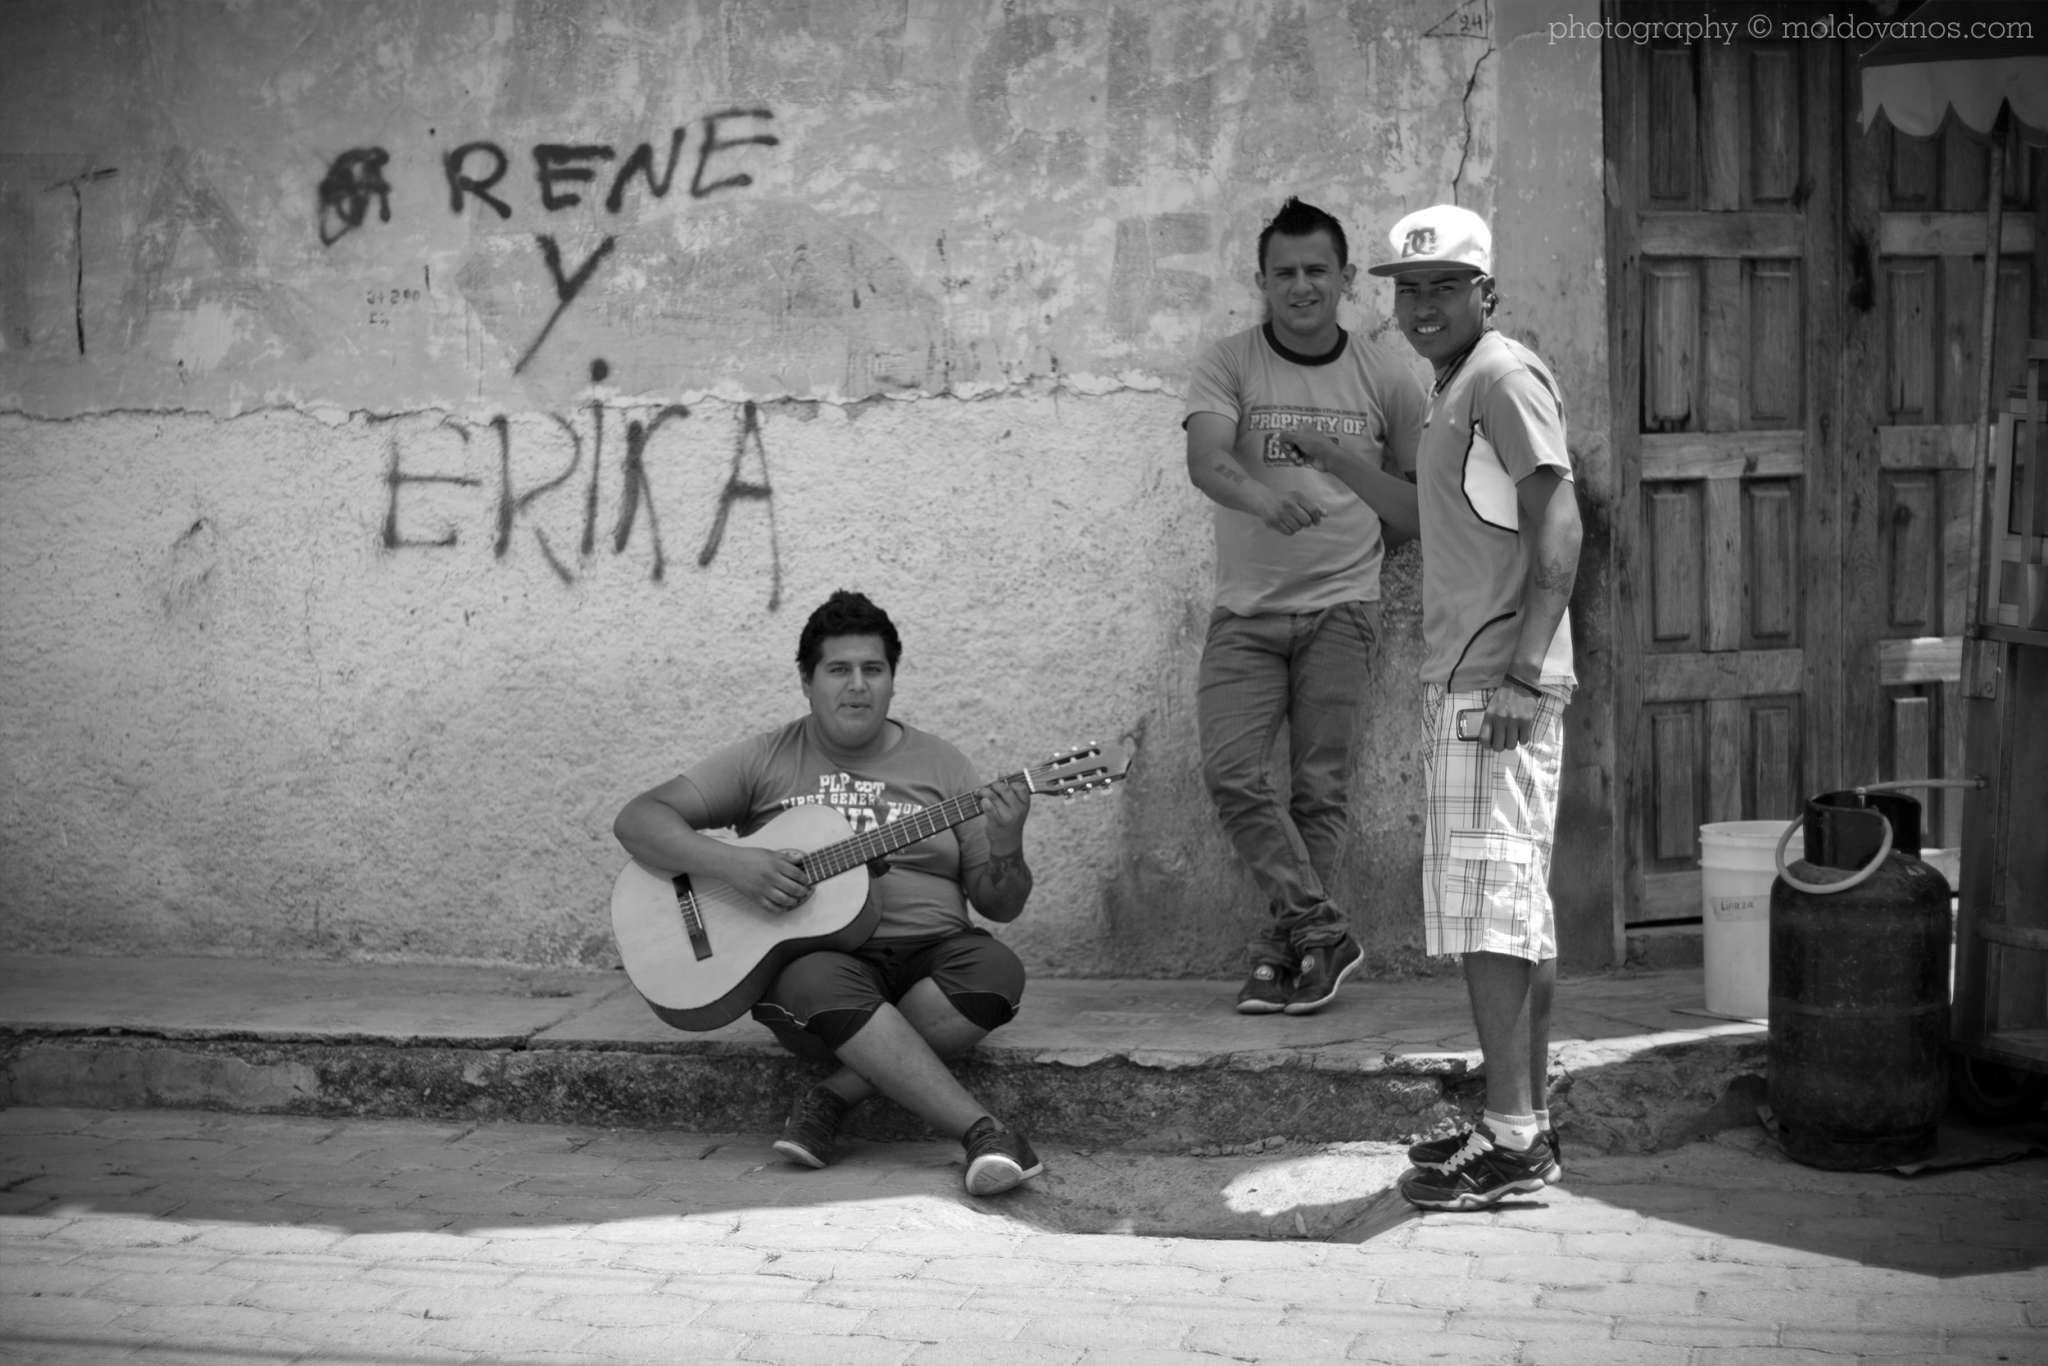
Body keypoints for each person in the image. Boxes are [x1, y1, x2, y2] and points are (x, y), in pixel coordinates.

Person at [1311, 203, 1580, 1210]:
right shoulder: (1454, 388)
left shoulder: (1501, 377)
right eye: (1405, 288)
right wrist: (1332, 458)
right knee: (1510, 911)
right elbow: (1422, 521)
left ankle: (1510, 1143)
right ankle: (1525, 1127)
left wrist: (1519, 673)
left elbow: (1559, 518)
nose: (1419, 305)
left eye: (1441, 287)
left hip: (1494, 681)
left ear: (1484, 293)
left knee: (1489, 917)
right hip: (1473, 676)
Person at [612, 589, 1044, 1197]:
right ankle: (984, 1132)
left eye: (874, 670)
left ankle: (832, 1098)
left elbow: (1002, 904)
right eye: (838, 670)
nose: (857, 686)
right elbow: (639, 819)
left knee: (996, 971)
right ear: (807, 681)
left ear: (893, 681)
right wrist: (735, 866)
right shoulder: (766, 758)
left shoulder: (945, 767)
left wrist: (1006, 844)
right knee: (811, 981)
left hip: (931, 954)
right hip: (824, 971)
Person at [1182, 196, 1425, 1016]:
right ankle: (1323, 929)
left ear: (1346, 279)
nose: (1300, 285)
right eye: (1283, 272)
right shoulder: (1229, 361)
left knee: (1319, 792)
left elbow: (1417, 499)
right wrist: (1261, 500)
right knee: (1232, 771)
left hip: (1343, 612)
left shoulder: (1388, 373)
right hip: (1246, 614)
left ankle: (1283, 958)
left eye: (1316, 270)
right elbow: (1207, 460)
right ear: (1261, 280)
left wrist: (1364, 552)